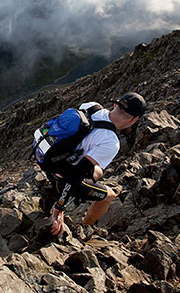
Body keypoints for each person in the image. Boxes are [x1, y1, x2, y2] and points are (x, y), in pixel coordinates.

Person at [40, 92, 146, 235]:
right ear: (134, 120)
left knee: (98, 171)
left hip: (45, 155)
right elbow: (76, 174)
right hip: (61, 173)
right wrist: (60, 207)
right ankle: (84, 227)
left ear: (115, 104)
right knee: (109, 196)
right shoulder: (111, 142)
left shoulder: (91, 106)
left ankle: (54, 189)